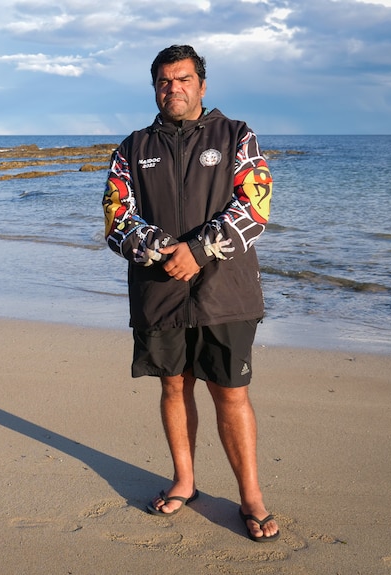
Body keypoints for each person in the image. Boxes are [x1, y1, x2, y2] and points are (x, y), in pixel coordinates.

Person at [101, 44, 279, 542]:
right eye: (163, 81)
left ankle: (251, 496)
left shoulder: (236, 135)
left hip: (227, 293)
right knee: (173, 385)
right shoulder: (132, 148)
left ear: (202, 85)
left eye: (182, 79)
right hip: (160, 293)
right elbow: (116, 218)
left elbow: (256, 205)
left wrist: (199, 250)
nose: (172, 88)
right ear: (154, 88)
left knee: (231, 391)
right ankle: (185, 480)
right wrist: (163, 250)